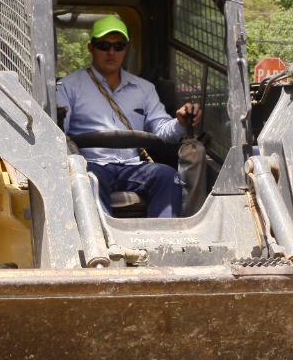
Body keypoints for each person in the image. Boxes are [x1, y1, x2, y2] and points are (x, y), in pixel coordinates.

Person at [57, 15, 199, 217]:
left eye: (118, 46)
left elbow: (162, 130)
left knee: (168, 176)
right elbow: (59, 133)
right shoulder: (68, 86)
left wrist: (180, 122)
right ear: (91, 48)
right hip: (92, 165)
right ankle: (101, 244)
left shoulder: (144, 89)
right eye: (104, 45)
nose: (111, 52)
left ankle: (161, 242)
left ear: (126, 48)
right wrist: (57, 117)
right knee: (86, 180)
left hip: (132, 167)